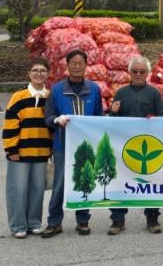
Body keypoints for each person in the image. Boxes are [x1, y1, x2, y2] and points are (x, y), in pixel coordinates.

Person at [42, 49, 103, 238]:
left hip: (86, 146)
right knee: (59, 184)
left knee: (85, 181)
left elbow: (99, 116)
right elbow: (48, 117)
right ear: (67, 66)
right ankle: (54, 222)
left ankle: (82, 220)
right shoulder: (57, 90)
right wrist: (56, 120)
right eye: (73, 63)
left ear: (86, 66)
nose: (77, 66)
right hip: (62, 146)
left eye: (80, 63)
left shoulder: (94, 89)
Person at [107, 56, 163, 235]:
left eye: (142, 71)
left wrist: (154, 119)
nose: (138, 74)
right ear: (129, 72)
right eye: (135, 71)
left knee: (150, 182)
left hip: (148, 145)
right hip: (125, 145)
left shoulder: (154, 93)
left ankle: (152, 218)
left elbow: (162, 116)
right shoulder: (121, 93)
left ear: (147, 73)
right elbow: (112, 120)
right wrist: (113, 111)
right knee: (120, 181)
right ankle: (118, 219)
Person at [2, 57, 52, 239]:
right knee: (18, 190)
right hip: (20, 153)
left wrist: (51, 150)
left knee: (37, 190)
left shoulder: (50, 97)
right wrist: (11, 149)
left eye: (43, 70)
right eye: (35, 70)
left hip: (41, 152)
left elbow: (52, 126)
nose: (39, 73)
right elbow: (10, 124)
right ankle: (18, 225)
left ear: (48, 74)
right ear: (28, 74)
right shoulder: (19, 96)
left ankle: (34, 223)